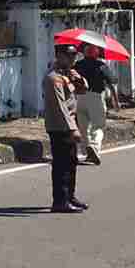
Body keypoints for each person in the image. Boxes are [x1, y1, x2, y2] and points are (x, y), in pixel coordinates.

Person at [44, 45, 89, 213]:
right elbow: (60, 106)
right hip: (59, 126)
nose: (73, 58)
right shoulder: (53, 78)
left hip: (69, 122)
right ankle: (60, 201)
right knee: (61, 163)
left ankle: (70, 196)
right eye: (69, 55)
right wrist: (72, 129)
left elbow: (82, 91)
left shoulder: (67, 74)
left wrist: (78, 79)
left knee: (71, 161)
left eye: (75, 55)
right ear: (59, 56)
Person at [73, 41, 117, 166]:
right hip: (95, 97)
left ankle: (87, 152)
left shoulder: (78, 65)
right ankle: (94, 146)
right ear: (97, 53)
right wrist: (116, 101)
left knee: (83, 127)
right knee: (98, 126)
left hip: (80, 98)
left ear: (84, 53)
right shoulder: (101, 65)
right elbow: (112, 82)